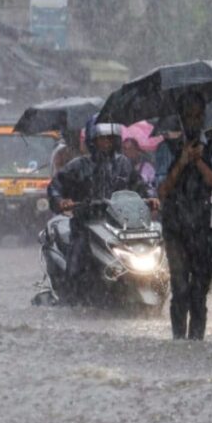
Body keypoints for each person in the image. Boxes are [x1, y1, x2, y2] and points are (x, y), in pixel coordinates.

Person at [155, 91, 212, 341]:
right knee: (180, 289)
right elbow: (162, 191)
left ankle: (196, 343)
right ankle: (178, 341)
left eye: (197, 116)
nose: (193, 121)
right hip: (176, 229)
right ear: (180, 118)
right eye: (188, 116)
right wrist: (182, 161)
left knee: (198, 294)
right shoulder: (166, 150)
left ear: (203, 117)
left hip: (205, 229)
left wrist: (199, 163)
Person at [47, 123, 154, 299]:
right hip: (86, 226)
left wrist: (151, 197)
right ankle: (72, 300)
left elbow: (141, 187)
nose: (106, 143)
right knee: (76, 264)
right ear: (92, 141)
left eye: (110, 139)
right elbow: (55, 187)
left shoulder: (124, 164)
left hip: (119, 226)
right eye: (102, 139)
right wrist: (61, 201)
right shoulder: (78, 165)